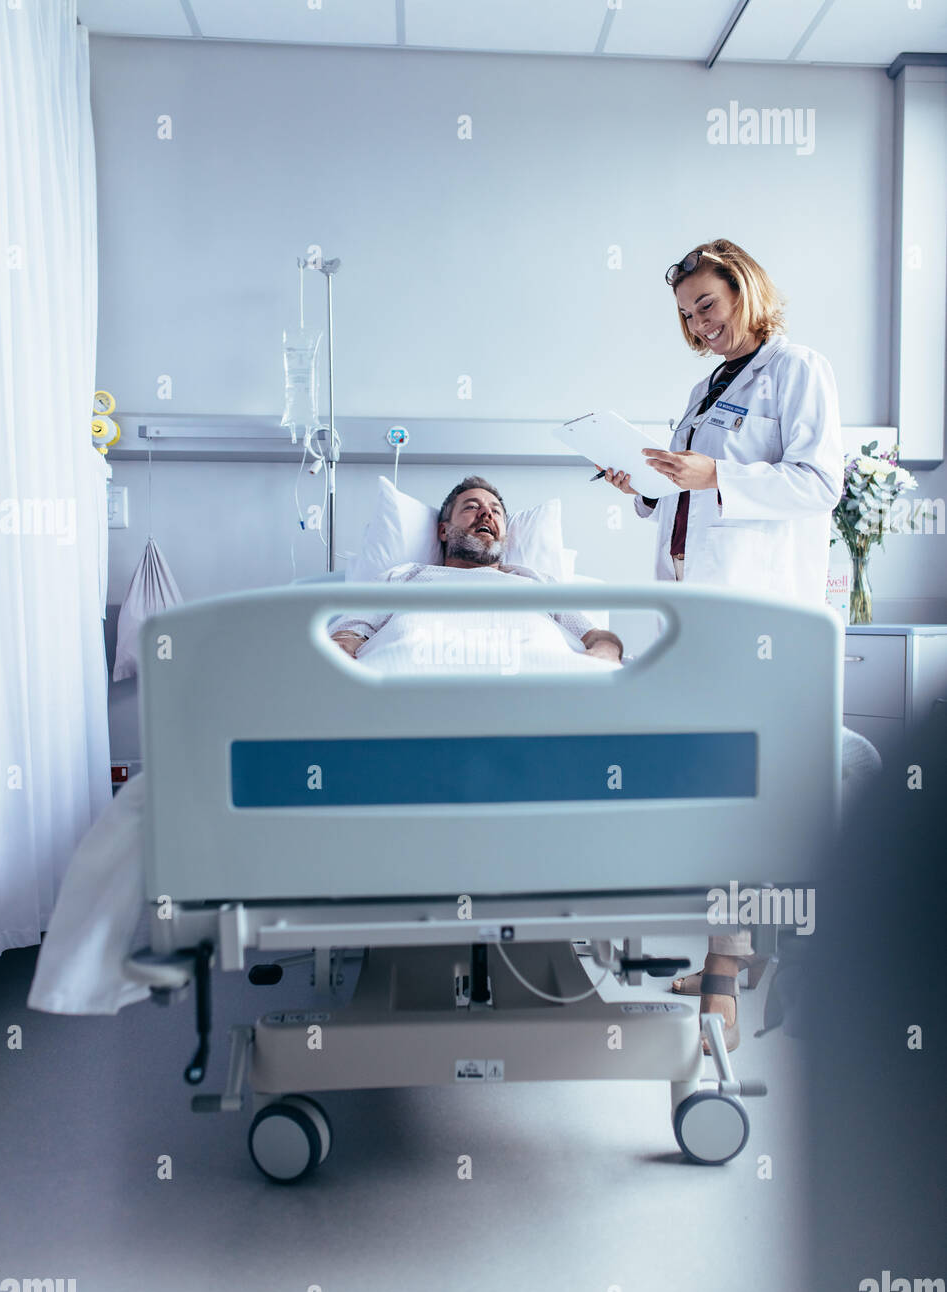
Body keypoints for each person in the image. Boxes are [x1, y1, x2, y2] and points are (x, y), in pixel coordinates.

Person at [601, 239, 844, 1050]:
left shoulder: (798, 368)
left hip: (758, 616)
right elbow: (688, 496)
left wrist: (716, 480)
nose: (698, 324)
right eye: (685, 314)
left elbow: (818, 483)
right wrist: (640, 487)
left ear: (745, 290)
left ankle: (725, 972)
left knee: (740, 785)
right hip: (696, 612)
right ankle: (728, 954)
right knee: (714, 785)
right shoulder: (707, 387)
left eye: (708, 304)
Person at [330, 476, 624, 666]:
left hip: (538, 681)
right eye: (472, 507)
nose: (487, 514)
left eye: (496, 511)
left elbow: (597, 638)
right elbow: (349, 633)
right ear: (443, 531)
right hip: (410, 676)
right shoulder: (405, 576)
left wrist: (600, 663)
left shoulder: (533, 581)